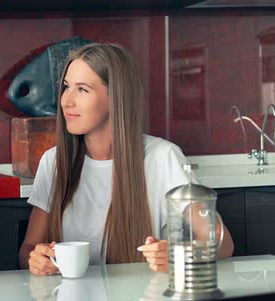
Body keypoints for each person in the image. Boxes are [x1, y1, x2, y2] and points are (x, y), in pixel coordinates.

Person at [19, 43, 234, 275]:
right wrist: (37, 259)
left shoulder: (164, 158)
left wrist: (175, 254)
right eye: (66, 87)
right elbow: (27, 252)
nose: (65, 101)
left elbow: (223, 245)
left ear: (116, 97)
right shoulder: (53, 162)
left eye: (82, 89)